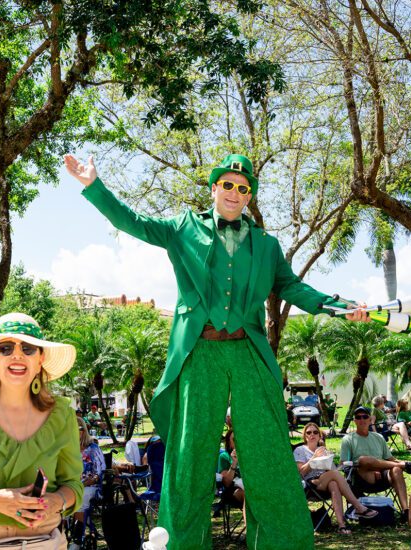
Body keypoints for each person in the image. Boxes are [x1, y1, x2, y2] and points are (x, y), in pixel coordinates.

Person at [64, 152, 370, 550]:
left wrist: (338, 306)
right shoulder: (183, 228)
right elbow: (133, 223)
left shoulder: (265, 244)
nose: (234, 192)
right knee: (189, 456)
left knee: (269, 455)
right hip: (200, 351)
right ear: (213, 189)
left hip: (247, 352)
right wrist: (94, 186)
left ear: (248, 198)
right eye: (227, 184)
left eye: (243, 188)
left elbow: (292, 287)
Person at [0, 312, 84, 548]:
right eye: (6, 348)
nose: (17, 354)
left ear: (40, 359)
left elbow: (73, 484)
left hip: (46, 543)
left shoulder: (61, 414)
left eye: (29, 348)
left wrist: (57, 500)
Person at [339, 406, 411, 521]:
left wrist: (382, 467)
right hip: (361, 477)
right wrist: (371, 468)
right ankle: (405, 465)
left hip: (383, 476)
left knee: (396, 469)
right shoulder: (348, 439)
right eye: (358, 417)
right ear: (354, 421)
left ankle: (406, 511)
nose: (362, 419)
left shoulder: (378, 437)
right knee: (363, 460)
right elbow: (343, 463)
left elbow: (390, 459)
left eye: (365, 417)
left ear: (370, 420)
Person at [294, 422, 377, 535]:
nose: (312, 434)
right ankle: (358, 506)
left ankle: (342, 525)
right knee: (334, 475)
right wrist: (314, 458)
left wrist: (328, 458)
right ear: (305, 436)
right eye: (308, 432)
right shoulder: (300, 450)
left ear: (319, 435)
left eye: (315, 432)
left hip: (325, 480)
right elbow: (301, 472)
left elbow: (332, 469)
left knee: (334, 483)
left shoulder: (322, 449)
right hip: (310, 484)